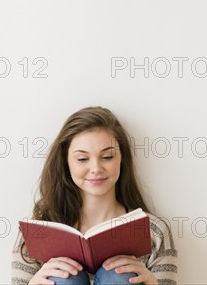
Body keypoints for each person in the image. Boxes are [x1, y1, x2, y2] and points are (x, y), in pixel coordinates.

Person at [12, 106, 178, 285]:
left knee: (119, 276)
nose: (96, 169)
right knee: (63, 277)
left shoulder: (154, 232)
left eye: (107, 157)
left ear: (122, 159)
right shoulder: (38, 231)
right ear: (66, 163)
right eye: (82, 159)